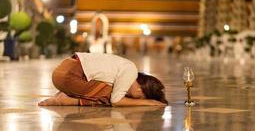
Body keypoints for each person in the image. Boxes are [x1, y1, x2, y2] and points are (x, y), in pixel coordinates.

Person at [38, 52, 168, 107]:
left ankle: (67, 94)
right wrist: (149, 103)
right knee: (109, 98)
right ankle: (65, 100)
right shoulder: (130, 71)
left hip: (64, 72)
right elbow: (116, 101)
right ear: (141, 89)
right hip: (69, 75)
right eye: (141, 97)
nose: (136, 99)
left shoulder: (125, 70)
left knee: (107, 93)